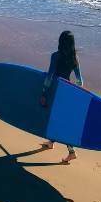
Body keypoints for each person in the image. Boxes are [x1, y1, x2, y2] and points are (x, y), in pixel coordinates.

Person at [39, 30, 83, 164]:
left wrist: (44, 93)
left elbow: (49, 77)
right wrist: (76, 95)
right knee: (58, 119)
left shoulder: (56, 56)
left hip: (56, 91)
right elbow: (80, 80)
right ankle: (51, 142)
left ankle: (72, 152)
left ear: (60, 42)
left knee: (58, 122)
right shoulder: (75, 58)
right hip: (67, 91)